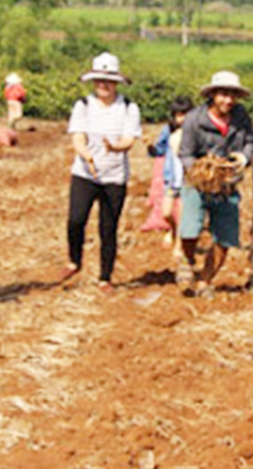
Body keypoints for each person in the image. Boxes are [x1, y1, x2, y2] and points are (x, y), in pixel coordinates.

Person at [59, 52, 142, 293]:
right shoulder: (83, 105)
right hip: (85, 174)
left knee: (108, 228)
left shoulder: (128, 108)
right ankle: (74, 260)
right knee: (76, 219)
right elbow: (78, 137)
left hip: (115, 177)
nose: (103, 85)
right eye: (98, 80)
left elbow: (129, 139)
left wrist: (114, 147)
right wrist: (86, 154)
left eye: (107, 81)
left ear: (116, 82)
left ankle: (105, 277)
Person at [177, 71, 253, 298]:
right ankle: (188, 261)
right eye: (223, 95)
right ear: (212, 95)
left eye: (232, 95)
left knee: (224, 238)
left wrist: (242, 158)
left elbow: (250, 141)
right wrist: (203, 171)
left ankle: (205, 280)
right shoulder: (195, 119)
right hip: (197, 185)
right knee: (190, 230)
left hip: (227, 185)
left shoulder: (241, 117)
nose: (228, 100)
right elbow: (185, 153)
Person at [147, 96, 193, 251]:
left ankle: (179, 245)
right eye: (179, 115)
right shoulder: (168, 131)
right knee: (166, 212)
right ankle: (172, 230)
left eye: (185, 114)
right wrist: (151, 148)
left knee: (182, 214)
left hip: (188, 179)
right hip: (171, 179)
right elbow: (160, 150)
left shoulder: (194, 131)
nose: (182, 118)